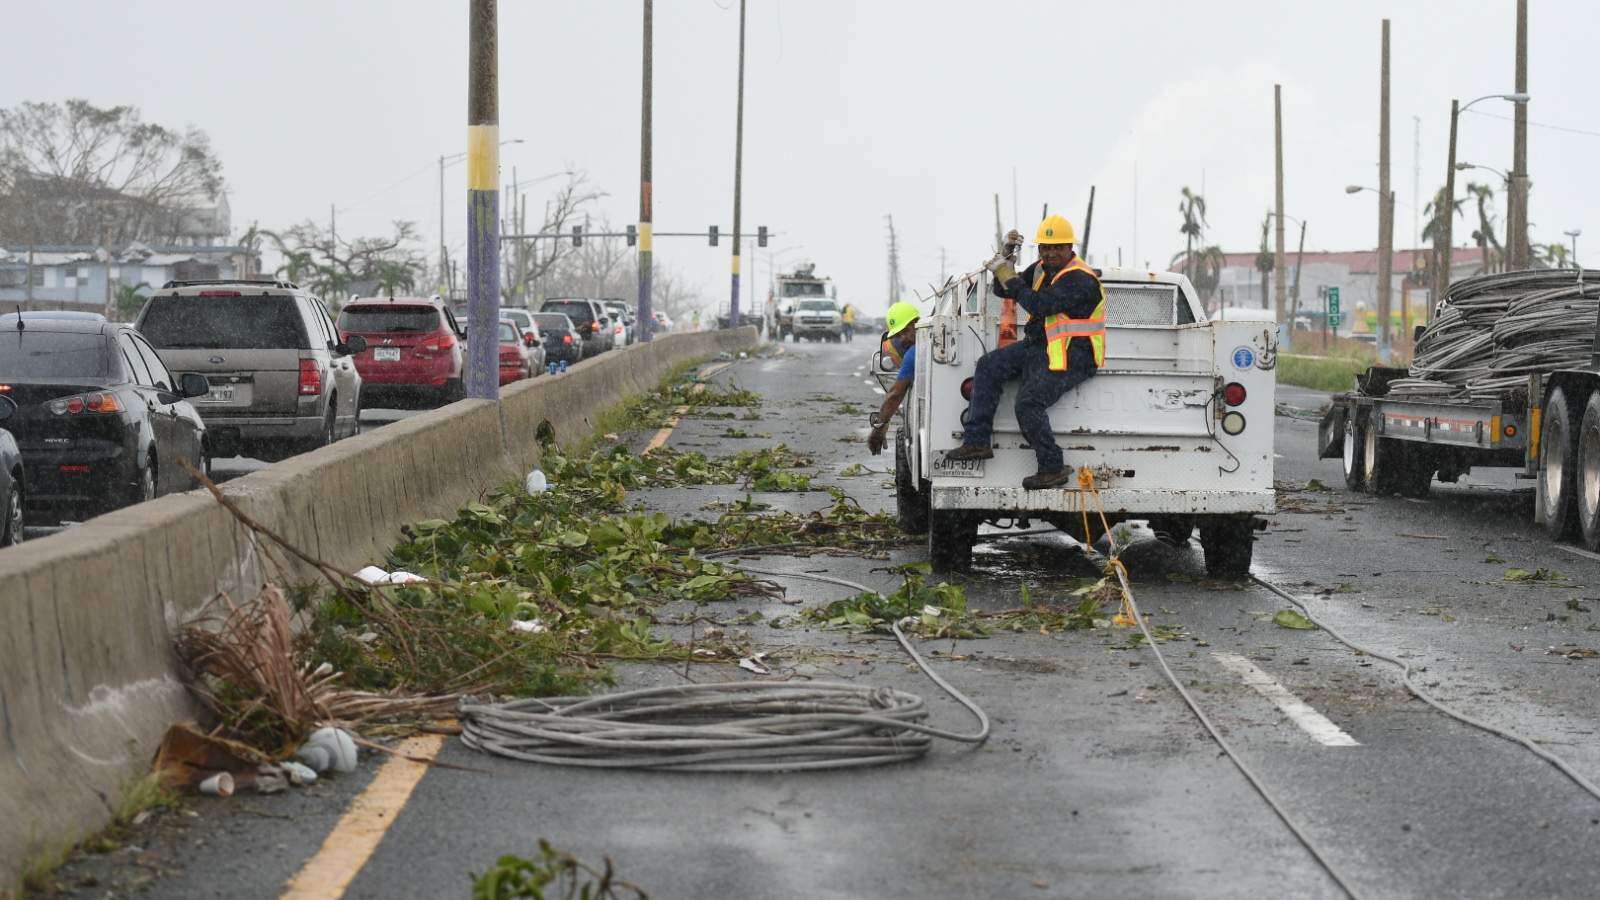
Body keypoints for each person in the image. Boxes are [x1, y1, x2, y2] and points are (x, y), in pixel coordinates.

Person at [943, 215, 1105, 489]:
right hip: (1044, 347)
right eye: (1045, 247)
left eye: (1058, 247)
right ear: (1039, 249)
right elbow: (1003, 290)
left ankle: (1052, 466)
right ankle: (977, 442)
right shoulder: (1042, 269)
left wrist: (1010, 277)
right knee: (988, 366)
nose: (1051, 253)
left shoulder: (1080, 278)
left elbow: (1040, 305)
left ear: (1070, 248)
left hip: (1075, 355)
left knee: (1028, 404)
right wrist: (1005, 260)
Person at [866, 301, 921, 455]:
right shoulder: (923, 347)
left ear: (915, 324)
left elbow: (895, 395)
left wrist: (878, 429)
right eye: (898, 335)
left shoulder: (913, 353)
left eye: (904, 331)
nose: (902, 339)